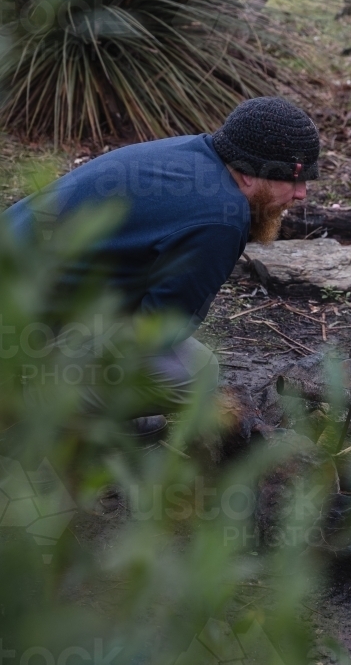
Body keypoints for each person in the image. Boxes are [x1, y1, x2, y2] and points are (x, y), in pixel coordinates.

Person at [4, 97, 320, 433]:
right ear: (248, 173)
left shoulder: (193, 152)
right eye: (292, 178)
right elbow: (158, 331)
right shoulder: (221, 218)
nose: (301, 194)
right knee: (196, 372)